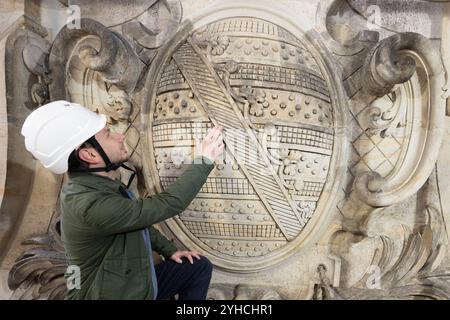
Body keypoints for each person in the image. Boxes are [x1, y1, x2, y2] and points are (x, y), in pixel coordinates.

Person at [21, 100, 224, 300]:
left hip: (129, 286)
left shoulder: (95, 187)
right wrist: (204, 160)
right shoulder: (90, 205)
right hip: (112, 294)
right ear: (90, 154)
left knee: (197, 267)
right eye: (108, 134)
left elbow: (135, 221)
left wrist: (170, 251)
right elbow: (167, 204)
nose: (120, 136)